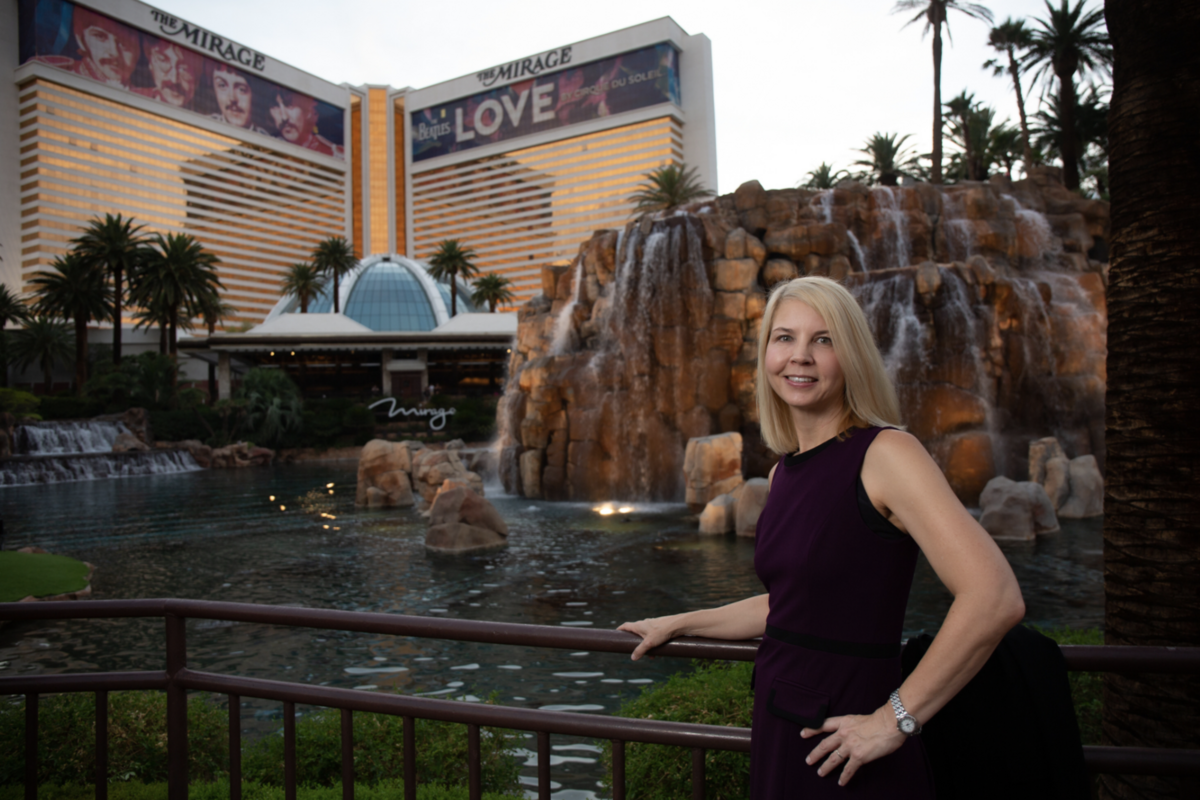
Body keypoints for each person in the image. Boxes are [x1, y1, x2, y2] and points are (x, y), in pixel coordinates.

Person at [619, 276, 1025, 798]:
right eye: (784, 338)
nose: (801, 356)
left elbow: (994, 597)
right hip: (782, 723)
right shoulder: (782, 474)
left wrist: (893, 720)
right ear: (766, 353)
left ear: (850, 355)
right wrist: (680, 622)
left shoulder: (887, 454)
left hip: (851, 741)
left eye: (824, 340)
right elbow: (795, 605)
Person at [68, 7, 139, 88]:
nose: (114, 53)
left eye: (124, 44)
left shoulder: (150, 96)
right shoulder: (63, 73)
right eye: (100, 37)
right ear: (80, 39)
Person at [269, 89, 344, 158]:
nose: (284, 117)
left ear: (308, 112)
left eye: (290, 106)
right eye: (275, 107)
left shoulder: (334, 154)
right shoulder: (266, 151)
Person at [135, 37, 201, 109]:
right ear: (150, 62)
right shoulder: (134, 99)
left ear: (197, 79)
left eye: (184, 69)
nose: (174, 79)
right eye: (163, 61)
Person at [209, 63, 268, 134]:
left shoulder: (268, 140)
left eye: (241, 89)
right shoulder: (203, 125)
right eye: (222, 85)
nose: (232, 98)